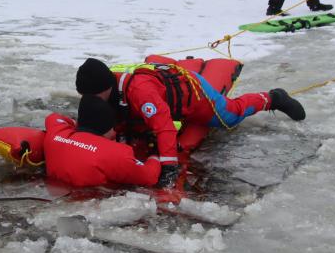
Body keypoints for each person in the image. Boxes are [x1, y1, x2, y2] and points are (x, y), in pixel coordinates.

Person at [75, 56, 306, 187]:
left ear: (106, 88)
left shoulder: (140, 92)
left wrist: (168, 166)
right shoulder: (103, 90)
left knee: (229, 116)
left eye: (93, 96)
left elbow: (164, 126)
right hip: (158, 90)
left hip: (191, 92)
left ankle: (273, 98)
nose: (91, 101)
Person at [42, 95, 163, 188]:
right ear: (105, 127)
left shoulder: (56, 133)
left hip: (56, 190)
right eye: (113, 127)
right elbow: (149, 177)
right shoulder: (117, 154)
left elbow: (53, 117)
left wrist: (78, 125)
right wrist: (154, 155)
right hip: (90, 203)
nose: (115, 132)